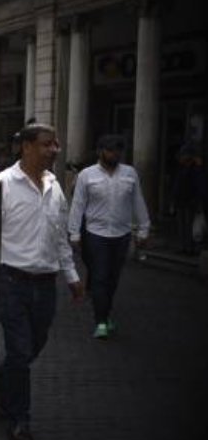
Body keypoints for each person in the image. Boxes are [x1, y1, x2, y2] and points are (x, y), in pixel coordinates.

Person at [0, 122, 84, 440]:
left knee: (32, 348)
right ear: (26, 147)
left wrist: (71, 276)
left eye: (55, 144)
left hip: (46, 284)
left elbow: (59, 237)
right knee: (20, 350)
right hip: (11, 281)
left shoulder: (55, 186)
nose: (54, 150)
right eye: (47, 144)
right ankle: (19, 419)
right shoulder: (0, 185)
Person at [68, 134, 150, 340]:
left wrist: (144, 228)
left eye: (118, 150)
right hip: (96, 234)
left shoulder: (130, 173)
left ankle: (105, 313)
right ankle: (101, 321)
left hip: (121, 234)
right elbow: (78, 205)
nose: (114, 154)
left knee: (113, 279)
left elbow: (138, 201)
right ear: (100, 151)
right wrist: (74, 232)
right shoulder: (87, 175)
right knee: (100, 277)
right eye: (110, 150)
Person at [170, 142, 206, 255]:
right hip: (181, 201)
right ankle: (184, 247)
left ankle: (191, 248)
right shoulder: (181, 168)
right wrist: (173, 200)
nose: (181, 158)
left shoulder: (197, 169)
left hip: (191, 202)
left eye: (183, 155)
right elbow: (177, 185)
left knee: (190, 226)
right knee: (182, 225)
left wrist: (199, 202)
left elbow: (201, 186)